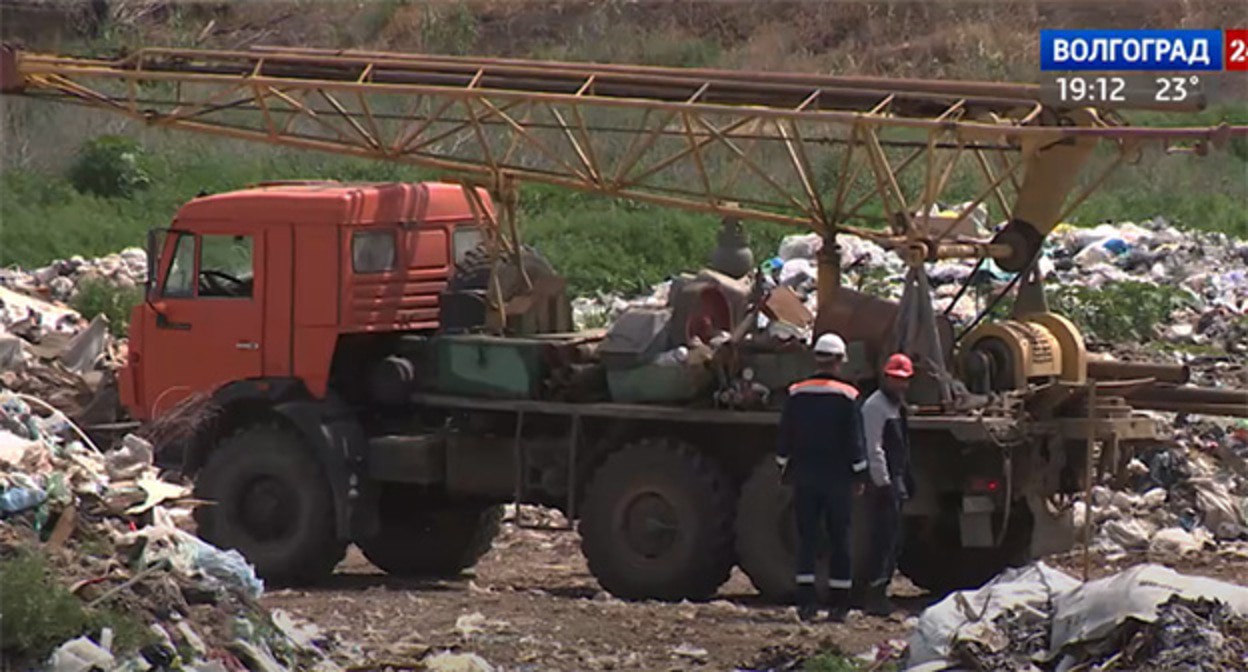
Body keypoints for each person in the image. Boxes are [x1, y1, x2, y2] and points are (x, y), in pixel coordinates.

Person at [776, 332, 869, 623]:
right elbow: (855, 441)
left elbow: (785, 436)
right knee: (840, 538)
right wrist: (860, 472)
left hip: (805, 476)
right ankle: (839, 605)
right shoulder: (848, 396)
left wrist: (783, 465)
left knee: (808, 538)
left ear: (815, 358)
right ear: (840, 361)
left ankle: (806, 603)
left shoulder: (796, 393)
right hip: (837, 478)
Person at [859, 352, 915, 616]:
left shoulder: (896, 406)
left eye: (903, 380)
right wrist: (883, 483)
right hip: (883, 483)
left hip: (896, 479)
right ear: (886, 378)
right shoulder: (875, 406)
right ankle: (874, 595)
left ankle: (882, 589)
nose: (900, 384)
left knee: (893, 539)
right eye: (895, 379)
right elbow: (873, 448)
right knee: (881, 539)